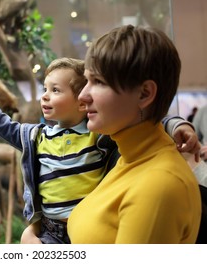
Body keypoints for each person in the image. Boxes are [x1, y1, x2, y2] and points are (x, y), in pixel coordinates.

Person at [0, 58, 199, 244]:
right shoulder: (37, 136)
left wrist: (177, 124)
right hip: (50, 232)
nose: (44, 96)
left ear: (81, 103)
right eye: (45, 88)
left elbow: (143, 120)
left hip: (84, 231)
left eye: (55, 90)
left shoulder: (99, 136)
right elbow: (2, 125)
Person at [67, 25, 201, 243]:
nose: (82, 95)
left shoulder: (159, 184)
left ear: (145, 93)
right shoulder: (128, 160)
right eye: (87, 81)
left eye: (98, 82)